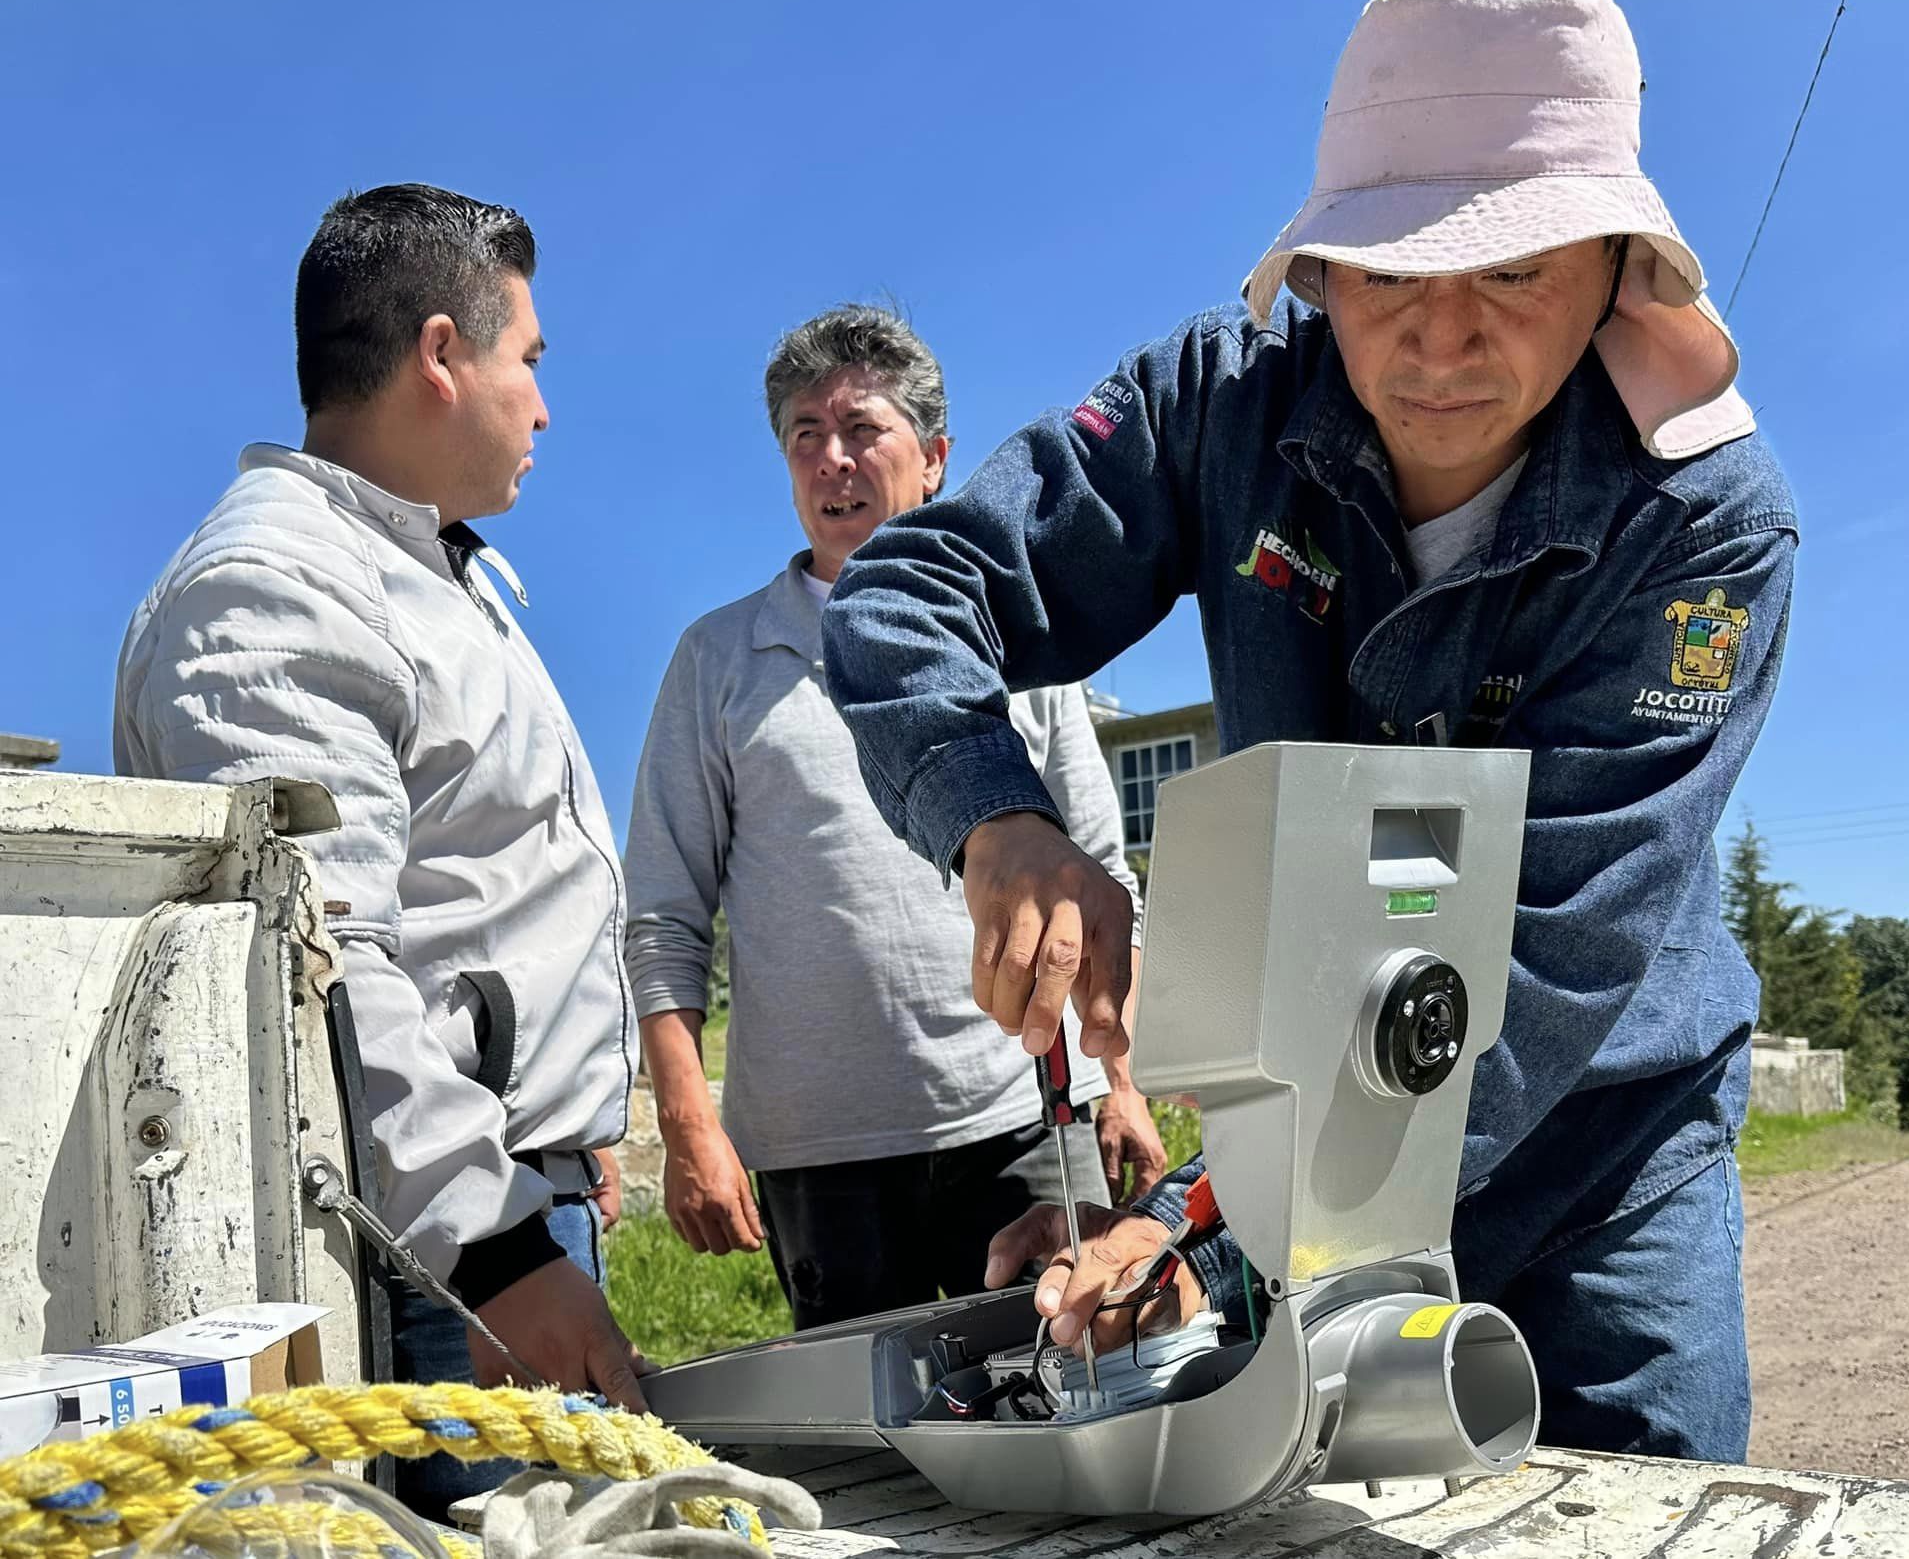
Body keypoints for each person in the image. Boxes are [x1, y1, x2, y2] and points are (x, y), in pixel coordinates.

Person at [820, 0, 1795, 1460]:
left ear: (1617, 265)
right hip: (1289, 1133)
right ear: (1322, 272)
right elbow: (910, 590)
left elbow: (1549, 949)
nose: (1440, 342)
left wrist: (1206, 1231)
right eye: (1390, 275)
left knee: (1643, 1499)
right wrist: (994, 825)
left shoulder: (1702, 526)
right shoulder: (1219, 403)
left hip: (1606, 1139)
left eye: (1516, 274)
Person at [114, 183, 644, 1518]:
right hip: (433, 1266)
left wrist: (578, 1138)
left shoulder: (423, 572)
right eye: (527, 359)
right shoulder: (279, 585)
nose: (542, 403)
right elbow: (328, 973)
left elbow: (484, 897)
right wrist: (501, 1245)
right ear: (440, 355)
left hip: (494, 1206)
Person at [624, 304, 1166, 1328]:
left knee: (1053, 1389)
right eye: (804, 437)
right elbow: (662, 914)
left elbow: (1099, 871)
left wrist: (1119, 1084)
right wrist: (688, 1123)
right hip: (815, 1153)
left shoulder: (1020, 647)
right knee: (864, 1443)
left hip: (1015, 1118)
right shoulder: (718, 661)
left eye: (862, 429)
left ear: (934, 459)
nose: (832, 460)